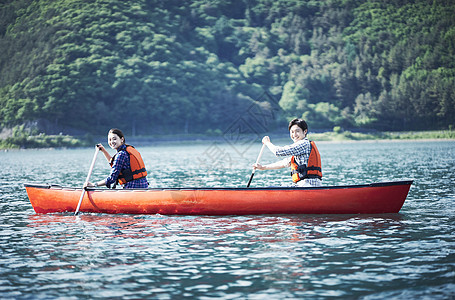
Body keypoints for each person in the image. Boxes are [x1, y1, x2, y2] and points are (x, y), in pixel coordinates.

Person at [253, 118, 322, 187]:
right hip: (303, 184)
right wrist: (263, 167)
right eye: (292, 132)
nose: (294, 134)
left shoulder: (303, 144)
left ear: (305, 131)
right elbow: (284, 163)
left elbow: (278, 152)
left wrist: (267, 143)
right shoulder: (300, 149)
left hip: (308, 185)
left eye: (297, 131)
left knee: (270, 189)